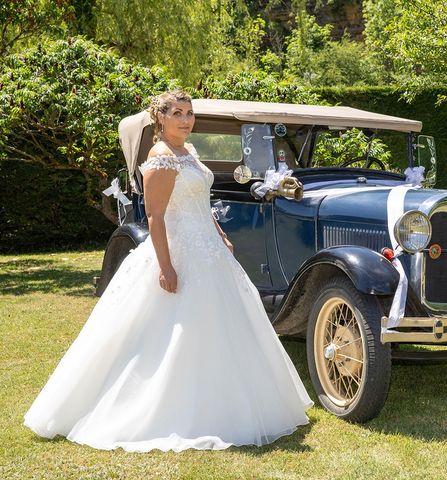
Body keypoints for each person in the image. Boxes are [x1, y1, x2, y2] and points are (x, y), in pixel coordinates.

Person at [23, 90, 313, 452]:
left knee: (222, 324)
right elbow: (156, 216)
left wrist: (220, 232)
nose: (185, 119)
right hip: (178, 248)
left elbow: (199, 201)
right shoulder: (159, 157)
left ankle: (225, 399)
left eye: (189, 113)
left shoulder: (188, 152)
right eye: (177, 113)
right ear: (159, 118)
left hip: (208, 247)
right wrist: (166, 267)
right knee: (171, 329)